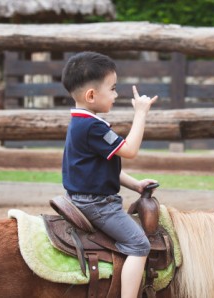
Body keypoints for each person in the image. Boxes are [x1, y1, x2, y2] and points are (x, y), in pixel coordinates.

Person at [61, 51, 158, 298]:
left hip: (85, 197)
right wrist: (141, 114)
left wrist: (135, 185)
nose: (116, 95)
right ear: (91, 95)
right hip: (98, 205)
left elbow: (103, 168)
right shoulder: (92, 126)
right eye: (113, 89)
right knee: (139, 245)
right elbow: (129, 150)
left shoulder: (81, 122)